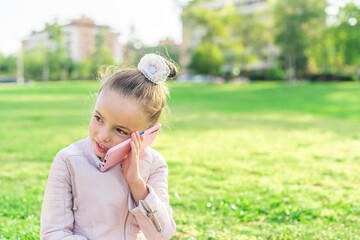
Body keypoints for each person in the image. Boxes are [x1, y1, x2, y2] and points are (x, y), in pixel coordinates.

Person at [40, 54, 178, 240]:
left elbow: (163, 235)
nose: (103, 136)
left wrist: (137, 184)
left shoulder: (153, 165)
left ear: (146, 134)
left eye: (120, 130)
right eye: (98, 118)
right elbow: (53, 233)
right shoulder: (68, 160)